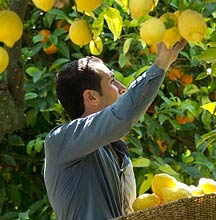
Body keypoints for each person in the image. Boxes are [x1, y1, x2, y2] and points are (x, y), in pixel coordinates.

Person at [43, 40, 187, 220]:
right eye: (112, 81)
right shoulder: (58, 141)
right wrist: (161, 64)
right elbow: (122, 116)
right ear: (91, 96)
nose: (122, 88)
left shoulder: (117, 151)